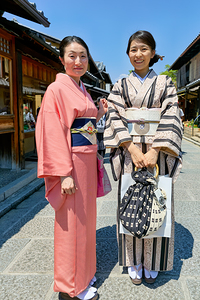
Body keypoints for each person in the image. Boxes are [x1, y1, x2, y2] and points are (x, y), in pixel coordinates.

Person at [104, 30, 183, 285]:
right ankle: (134, 260)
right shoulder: (120, 85)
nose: (138, 55)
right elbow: (113, 116)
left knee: (157, 205)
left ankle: (153, 260)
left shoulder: (165, 84)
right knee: (131, 204)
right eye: (133, 50)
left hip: (156, 156)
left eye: (143, 49)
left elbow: (173, 115)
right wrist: (133, 149)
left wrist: (155, 150)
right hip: (131, 155)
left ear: (152, 53)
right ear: (128, 54)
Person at [36, 36, 107, 300]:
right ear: (61, 59)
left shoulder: (82, 87)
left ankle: (85, 273)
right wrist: (63, 173)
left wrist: (97, 113)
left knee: (86, 221)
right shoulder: (57, 89)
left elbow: (84, 123)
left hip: (85, 162)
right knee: (71, 224)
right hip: (71, 164)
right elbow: (54, 133)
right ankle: (70, 286)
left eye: (83, 56)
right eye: (72, 56)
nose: (78, 61)